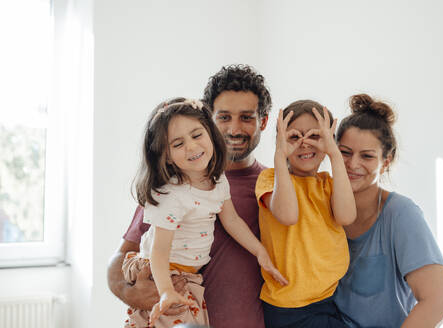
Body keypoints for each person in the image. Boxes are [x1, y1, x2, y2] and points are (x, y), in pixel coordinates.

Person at [107, 64, 274, 328]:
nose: (234, 128)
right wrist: (136, 292)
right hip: (176, 312)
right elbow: (123, 257)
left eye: (246, 117)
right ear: (209, 118)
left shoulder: (272, 188)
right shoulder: (171, 187)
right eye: (224, 117)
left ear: (263, 121)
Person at [333, 94, 443, 327]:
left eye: (367, 156)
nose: (353, 164)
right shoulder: (320, 204)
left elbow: (439, 301)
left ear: (386, 160)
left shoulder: (400, 213)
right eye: (345, 152)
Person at [255, 100, 357, 328]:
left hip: (329, 296)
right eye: (293, 137)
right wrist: (280, 158)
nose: (304, 144)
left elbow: (346, 217)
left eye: (315, 136)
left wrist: (334, 154)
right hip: (290, 307)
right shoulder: (271, 179)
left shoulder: (328, 184)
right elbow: (288, 215)